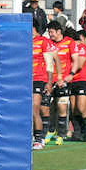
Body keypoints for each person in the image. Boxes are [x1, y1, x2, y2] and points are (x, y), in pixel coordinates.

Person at [30, 20, 58, 150]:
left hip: (38, 79)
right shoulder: (24, 41)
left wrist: (49, 82)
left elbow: (49, 62)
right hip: (25, 79)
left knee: (35, 109)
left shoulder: (43, 41)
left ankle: (39, 138)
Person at [46, 21, 74, 145]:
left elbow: (76, 60)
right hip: (50, 80)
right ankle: (51, 130)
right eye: (48, 32)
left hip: (63, 81)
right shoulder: (48, 44)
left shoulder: (69, 42)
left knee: (62, 106)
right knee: (49, 107)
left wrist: (69, 75)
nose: (50, 34)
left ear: (59, 31)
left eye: (51, 32)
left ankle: (61, 134)